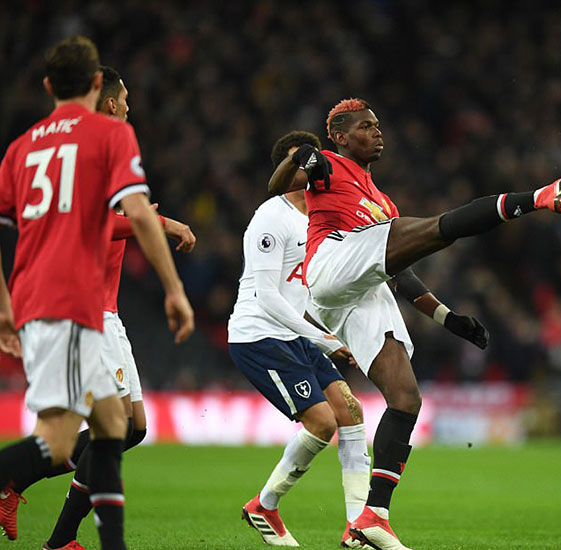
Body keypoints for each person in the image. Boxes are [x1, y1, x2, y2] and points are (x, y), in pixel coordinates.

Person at [269, 98, 561, 550]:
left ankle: (372, 518)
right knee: (443, 227)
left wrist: (449, 318)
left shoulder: (381, 201)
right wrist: (297, 160)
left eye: (378, 124)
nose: (377, 132)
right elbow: (278, 187)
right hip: (329, 265)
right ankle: (543, 195)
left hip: (357, 289)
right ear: (341, 137)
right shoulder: (327, 165)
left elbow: (396, 269)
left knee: (406, 399)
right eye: (366, 127)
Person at [0, 36, 194, 550]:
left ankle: (79, 542)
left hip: (47, 301)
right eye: (125, 100)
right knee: (61, 439)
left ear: (47, 86)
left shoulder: (22, 148)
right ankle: (11, 483)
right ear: (97, 90)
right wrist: (173, 282)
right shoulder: (107, 137)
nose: (128, 108)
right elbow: (126, 214)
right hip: (75, 306)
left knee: (117, 426)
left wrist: (4, 307)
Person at [228, 130, 371, 548]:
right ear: (282, 169)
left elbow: (313, 292)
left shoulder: (320, 218)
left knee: (351, 411)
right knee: (323, 422)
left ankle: (358, 526)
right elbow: (268, 297)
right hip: (260, 335)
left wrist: (339, 334)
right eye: (296, 161)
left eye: (311, 160)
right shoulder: (270, 217)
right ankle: (265, 505)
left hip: (295, 334)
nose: (306, 168)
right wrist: (324, 340)